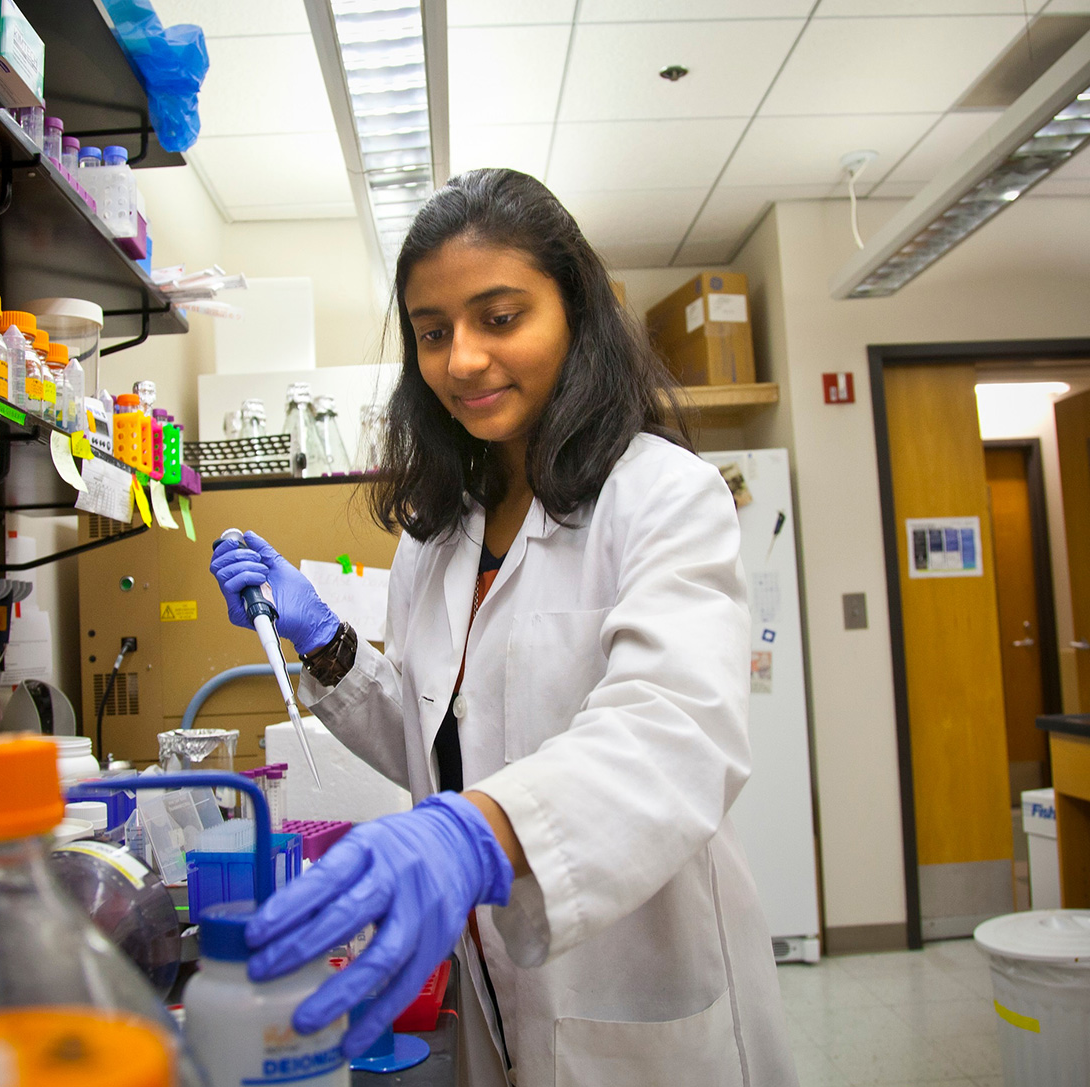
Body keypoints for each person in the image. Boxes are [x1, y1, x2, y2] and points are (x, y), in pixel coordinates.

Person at [210, 168, 796, 1087]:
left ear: (574, 314)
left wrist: (476, 835)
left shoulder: (659, 496)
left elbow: (675, 728)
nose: (462, 360)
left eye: (500, 316)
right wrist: (324, 641)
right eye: (433, 332)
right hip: (494, 989)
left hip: (644, 992)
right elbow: (435, 740)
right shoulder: (441, 535)